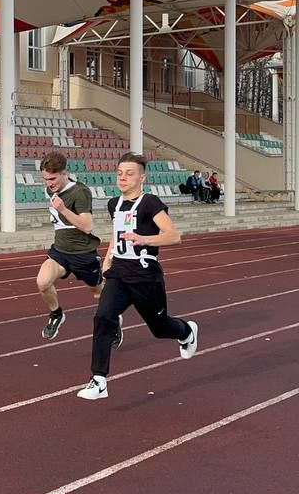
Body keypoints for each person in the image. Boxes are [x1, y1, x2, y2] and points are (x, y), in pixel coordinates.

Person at [79, 152, 199, 400]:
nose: (123, 178)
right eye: (120, 173)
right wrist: (109, 256)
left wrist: (144, 239)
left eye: (129, 173)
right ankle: (99, 380)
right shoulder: (114, 204)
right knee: (103, 316)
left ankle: (186, 331)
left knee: (160, 327)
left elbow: (173, 235)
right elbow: (117, 232)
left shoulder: (150, 203)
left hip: (146, 277)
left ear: (142, 178)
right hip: (120, 274)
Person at [36, 152, 104, 341]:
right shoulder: (51, 190)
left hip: (83, 253)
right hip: (60, 251)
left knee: (99, 294)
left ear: (64, 173)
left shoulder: (80, 192)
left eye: (52, 178)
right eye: (45, 179)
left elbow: (87, 226)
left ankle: (112, 318)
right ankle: (57, 313)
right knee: (43, 282)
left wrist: (63, 209)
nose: (49, 183)